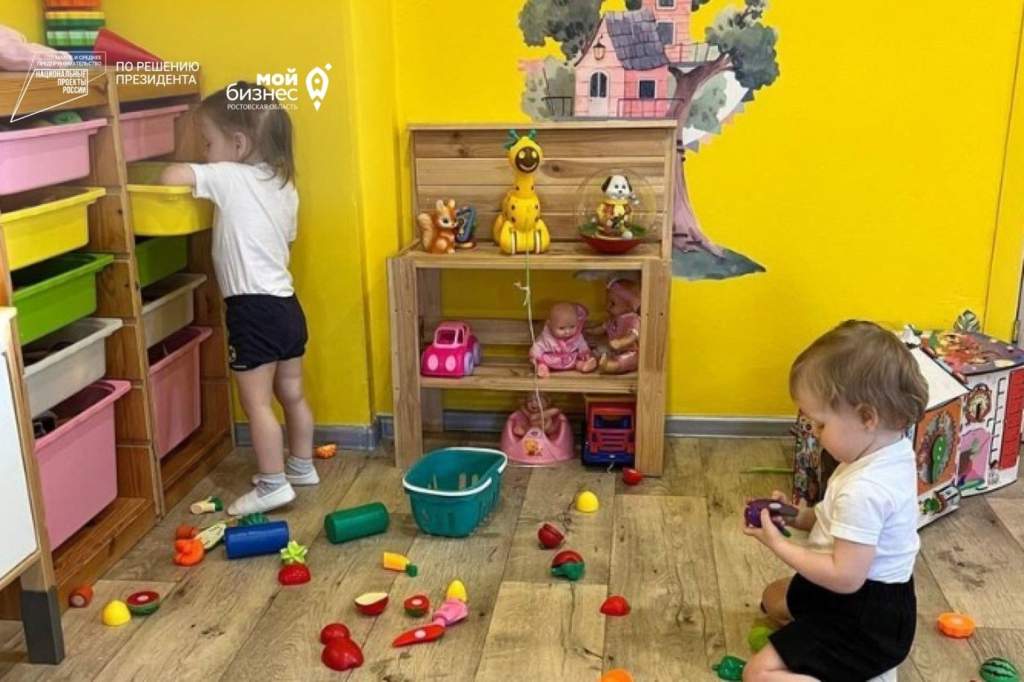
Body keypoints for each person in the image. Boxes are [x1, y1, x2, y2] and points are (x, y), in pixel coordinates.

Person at [159, 82, 315, 516]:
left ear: (239, 145)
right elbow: (287, 239)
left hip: (252, 310)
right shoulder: (285, 186)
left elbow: (172, 177)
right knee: (293, 393)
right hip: (286, 305)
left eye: (208, 142)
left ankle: (273, 484)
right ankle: (302, 466)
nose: (205, 152)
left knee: (257, 403)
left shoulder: (230, 176)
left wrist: (189, 165)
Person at [743, 320, 928, 681]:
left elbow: (845, 577)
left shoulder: (865, 490)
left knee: (758, 673)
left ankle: (861, 668)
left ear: (866, 417)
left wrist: (777, 544)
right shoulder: (886, 451)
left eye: (820, 424)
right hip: (859, 599)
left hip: (863, 621)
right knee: (773, 599)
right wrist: (796, 516)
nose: (813, 433)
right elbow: (836, 520)